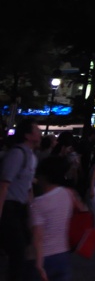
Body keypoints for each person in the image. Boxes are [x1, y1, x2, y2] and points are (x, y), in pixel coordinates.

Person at [30, 155, 87, 281]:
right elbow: (83, 211)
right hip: (63, 254)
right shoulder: (69, 193)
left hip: (45, 255)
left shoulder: (38, 203)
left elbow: (38, 237)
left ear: (43, 176)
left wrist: (39, 263)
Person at [0, 119, 41, 281]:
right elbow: (3, 185)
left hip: (20, 208)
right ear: (27, 135)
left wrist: (32, 209)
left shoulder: (31, 156)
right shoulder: (17, 154)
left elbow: (28, 187)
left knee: (21, 249)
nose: (39, 132)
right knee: (18, 249)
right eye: (36, 130)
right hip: (9, 207)